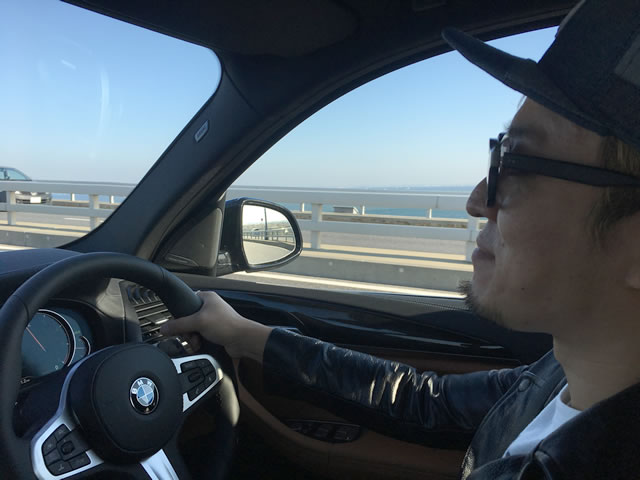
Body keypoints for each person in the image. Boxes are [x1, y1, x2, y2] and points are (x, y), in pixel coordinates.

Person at [161, 0, 640, 477]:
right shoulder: (561, 376)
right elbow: (427, 402)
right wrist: (246, 335)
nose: (476, 201)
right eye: (499, 156)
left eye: (516, 163)